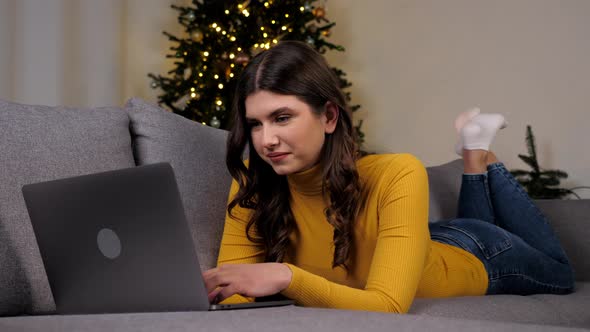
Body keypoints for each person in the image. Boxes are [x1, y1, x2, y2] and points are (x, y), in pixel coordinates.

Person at [202, 41, 574, 313]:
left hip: (479, 254)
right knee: (460, 228)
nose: (266, 140)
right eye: (255, 124)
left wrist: (288, 277)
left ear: (329, 117)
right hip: (415, 245)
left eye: (282, 117)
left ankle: (479, 156)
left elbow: (388, 305)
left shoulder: (398, 172)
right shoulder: (253, 182)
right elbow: (231, 292)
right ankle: (473, 149)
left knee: (561, 274)